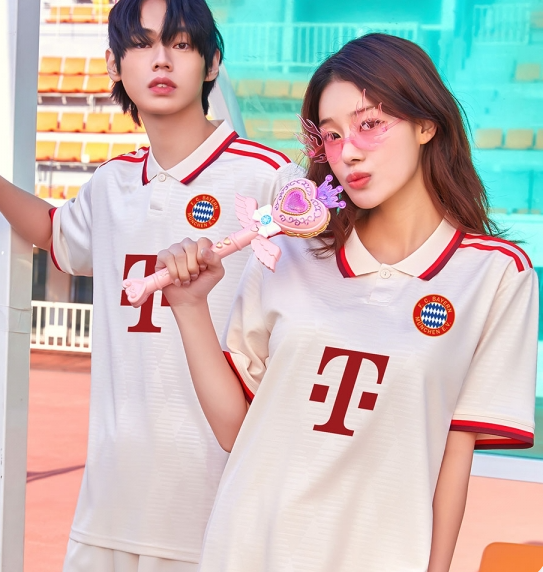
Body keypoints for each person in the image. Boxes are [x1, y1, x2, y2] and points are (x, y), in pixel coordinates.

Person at [157, 34, 538, 571]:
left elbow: (454, 456)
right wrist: (189, 307)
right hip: (247, 549)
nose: (349, 152)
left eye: (370, 124)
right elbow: (235, 430)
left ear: (426, 124)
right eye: (331, 135)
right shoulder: (288, 252)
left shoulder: (495, 274)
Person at [0, 0, 301, 570]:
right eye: (142, 44)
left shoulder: (267, 178)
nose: (161, 59)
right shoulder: (111, 183)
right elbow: (54, 231)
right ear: (114, 65)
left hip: (216, 514)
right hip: (108, 511)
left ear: (213, 63)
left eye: (181, 44)